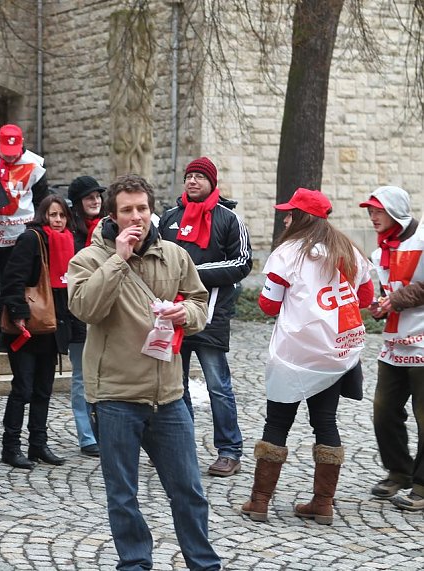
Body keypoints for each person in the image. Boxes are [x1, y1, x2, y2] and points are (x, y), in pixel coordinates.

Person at [68, 174, 220, 570]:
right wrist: (118, 260)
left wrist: (184, 313)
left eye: (142, 208)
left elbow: (200, 304)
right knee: (123, 496)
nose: (136, 217)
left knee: (188, 491)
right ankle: (135, 564)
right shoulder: (88, 259)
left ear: (152, 210)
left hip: (168, 396)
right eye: (127, 210)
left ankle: (204, 565)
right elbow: (85, 309)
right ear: (112, 216)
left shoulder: (175, 255)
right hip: (115, 396)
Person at [241, 188, 372, 525]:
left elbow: (268, 305)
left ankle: (259, 501)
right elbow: (367, 298)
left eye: (289, 213)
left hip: (294, 354)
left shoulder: (287, 253)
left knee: (276, 423)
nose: (285, 219)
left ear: (301, 217)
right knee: (326, 422)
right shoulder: (350, 250)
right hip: (335, 354)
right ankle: (323, 504)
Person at [158, 156, 250, 477]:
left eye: (199, 177)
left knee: (218, 387)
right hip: (174, 315)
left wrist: (192, 273)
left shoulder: (228, 219)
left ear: (212, 183)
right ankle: (181, 448)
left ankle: (229, 451)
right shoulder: (169, 218)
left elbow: (242, 262)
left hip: (211, 316)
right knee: (176, 386)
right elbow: (157, 258)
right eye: (189, 176)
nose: (192, 181)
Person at [360, 186, 424, 511]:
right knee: (384, 410)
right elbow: (390, 291)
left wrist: (395, 300)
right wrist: (380, 306)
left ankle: (422, 486)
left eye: (378, 210)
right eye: (370, 211)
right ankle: (399, 471)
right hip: (396, 343)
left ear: (395, 211)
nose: (373, 217)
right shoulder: (380, 251)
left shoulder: (423, 238)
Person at [0, 194, 72, 469]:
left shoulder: (65, 242)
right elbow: (12, 278)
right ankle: (11, 446)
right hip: (27, 327)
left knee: (43, 390)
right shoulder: (31, 239)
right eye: (53, 215)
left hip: (51, 329)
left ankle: (38, 444)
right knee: (23, 389)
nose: (58, 220)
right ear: (43, 216)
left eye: (62, 215)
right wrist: (18, 313)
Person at [0, 124, 48, 354]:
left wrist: (34, 231)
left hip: (18, 238)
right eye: (6, 153)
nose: (10, 157)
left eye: (14, 153)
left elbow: (41, 201)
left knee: (11, 286)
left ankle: (6, 333)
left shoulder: (35, 166)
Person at [66, 176, 105, 457]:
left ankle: (106, 430)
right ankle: (87, 435)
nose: (96, 201)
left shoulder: (108, 228)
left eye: (98, 196)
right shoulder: (70, 233)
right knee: (81, 377)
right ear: (78, 203)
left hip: (105, 315)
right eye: (89, 197)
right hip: (78, 317)